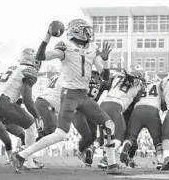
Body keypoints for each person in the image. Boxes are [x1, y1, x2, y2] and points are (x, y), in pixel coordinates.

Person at [11, 19, 120, 174]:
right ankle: (21, 155)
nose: (88, 33)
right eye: (84, 30)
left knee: (109, 125)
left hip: (84, 95)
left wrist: (106, 60)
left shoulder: (92, 48)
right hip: (70, 94)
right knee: (61, 133)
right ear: (75, 31)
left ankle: (112, 164)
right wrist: (48, 35)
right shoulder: (65, 47)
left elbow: (105, 76)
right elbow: (40, 56)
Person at [0, 48, 43, 170]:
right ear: (34, 60)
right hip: (5, 102)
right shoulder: (29, 70)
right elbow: (27, 98)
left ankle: (25, 158)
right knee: (31, 126)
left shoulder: (13, 67)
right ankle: (28, 161)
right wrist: (37, 116)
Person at [120, 73, 163, 170]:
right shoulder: (159, 85)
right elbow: (164, 102)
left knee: (131, 137)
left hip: (137, 110)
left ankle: (127, 145)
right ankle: (160, 161)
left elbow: (132, 99)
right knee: (157, 139)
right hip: (152, 110)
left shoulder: (139, 85)